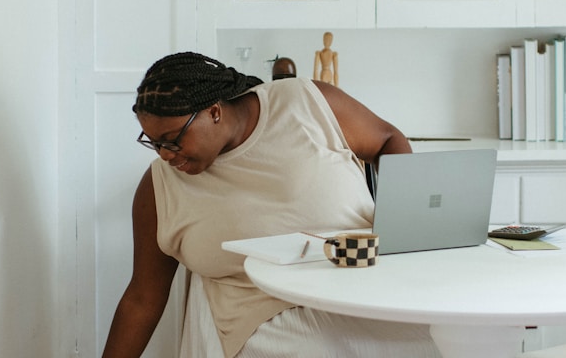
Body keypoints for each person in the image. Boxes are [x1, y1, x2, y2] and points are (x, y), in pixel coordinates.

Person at [102, 52, 439, 357]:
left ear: (214, 111)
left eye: (173, 140)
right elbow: (142, 300)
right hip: (270, 312)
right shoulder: (160, 187)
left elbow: (387, 139)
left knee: (452, 337)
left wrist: (401, 224)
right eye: (154, 143)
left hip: (365, 285)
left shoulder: (306, 103)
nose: (164, 155)